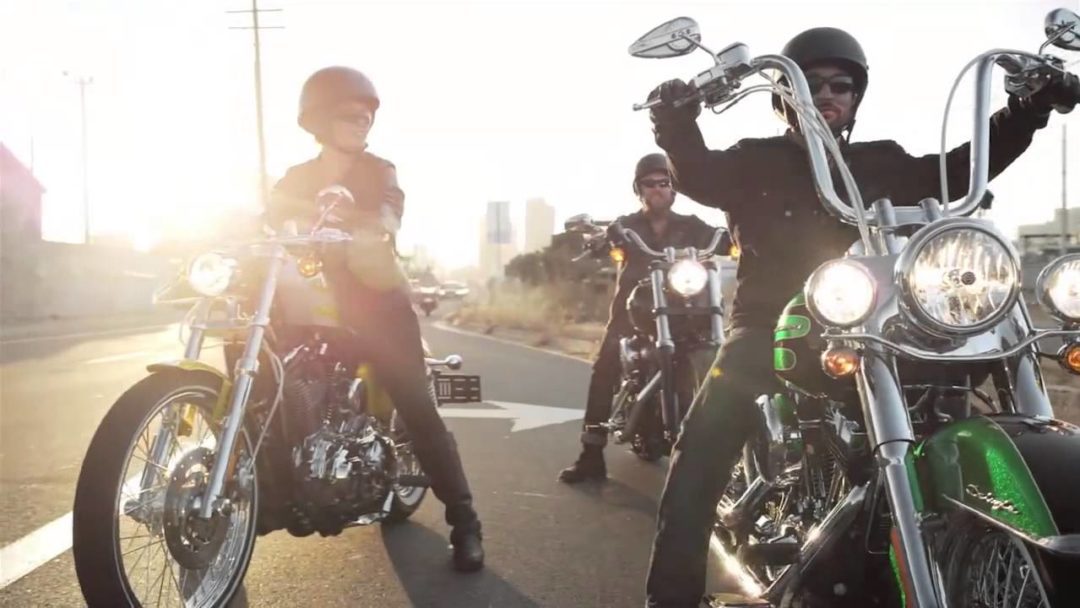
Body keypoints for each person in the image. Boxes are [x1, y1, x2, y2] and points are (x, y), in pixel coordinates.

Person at [642, 27, 1080, 607]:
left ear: (856, 98)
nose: (828, 94)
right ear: (783, 97)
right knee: (698, 461)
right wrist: (674, 119)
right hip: (773, 326)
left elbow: (961, 168)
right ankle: (666, 599)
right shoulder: (753, 161)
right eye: (812, 84)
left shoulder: (884, 161)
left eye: (841, 85)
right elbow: (694, 172)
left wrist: (1027, 109)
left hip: (881, 329)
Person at [269, 66, 485, 572]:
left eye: (368, 114)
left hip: (376, 303)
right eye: (351, 113)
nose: (363, 120)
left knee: (415, 402)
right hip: (309, 303)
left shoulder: (378, 171)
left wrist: (366, 224)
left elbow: (388, 210)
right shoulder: (297, 177)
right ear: (319, 120)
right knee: (268, 374)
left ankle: (465, 520)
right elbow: (270, 212)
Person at [558, 152, 717, 483]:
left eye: (665, 183)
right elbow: (606, 240)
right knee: (604, 367)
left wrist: (744, 239)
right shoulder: (626, 226)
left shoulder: (692, 226)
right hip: (634, 310)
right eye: (650, 183)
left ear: (674, 189)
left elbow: (723, 239)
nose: (658, 189)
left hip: (682, 312)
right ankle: (590, 455)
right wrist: (599, 239)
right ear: (638, 189)